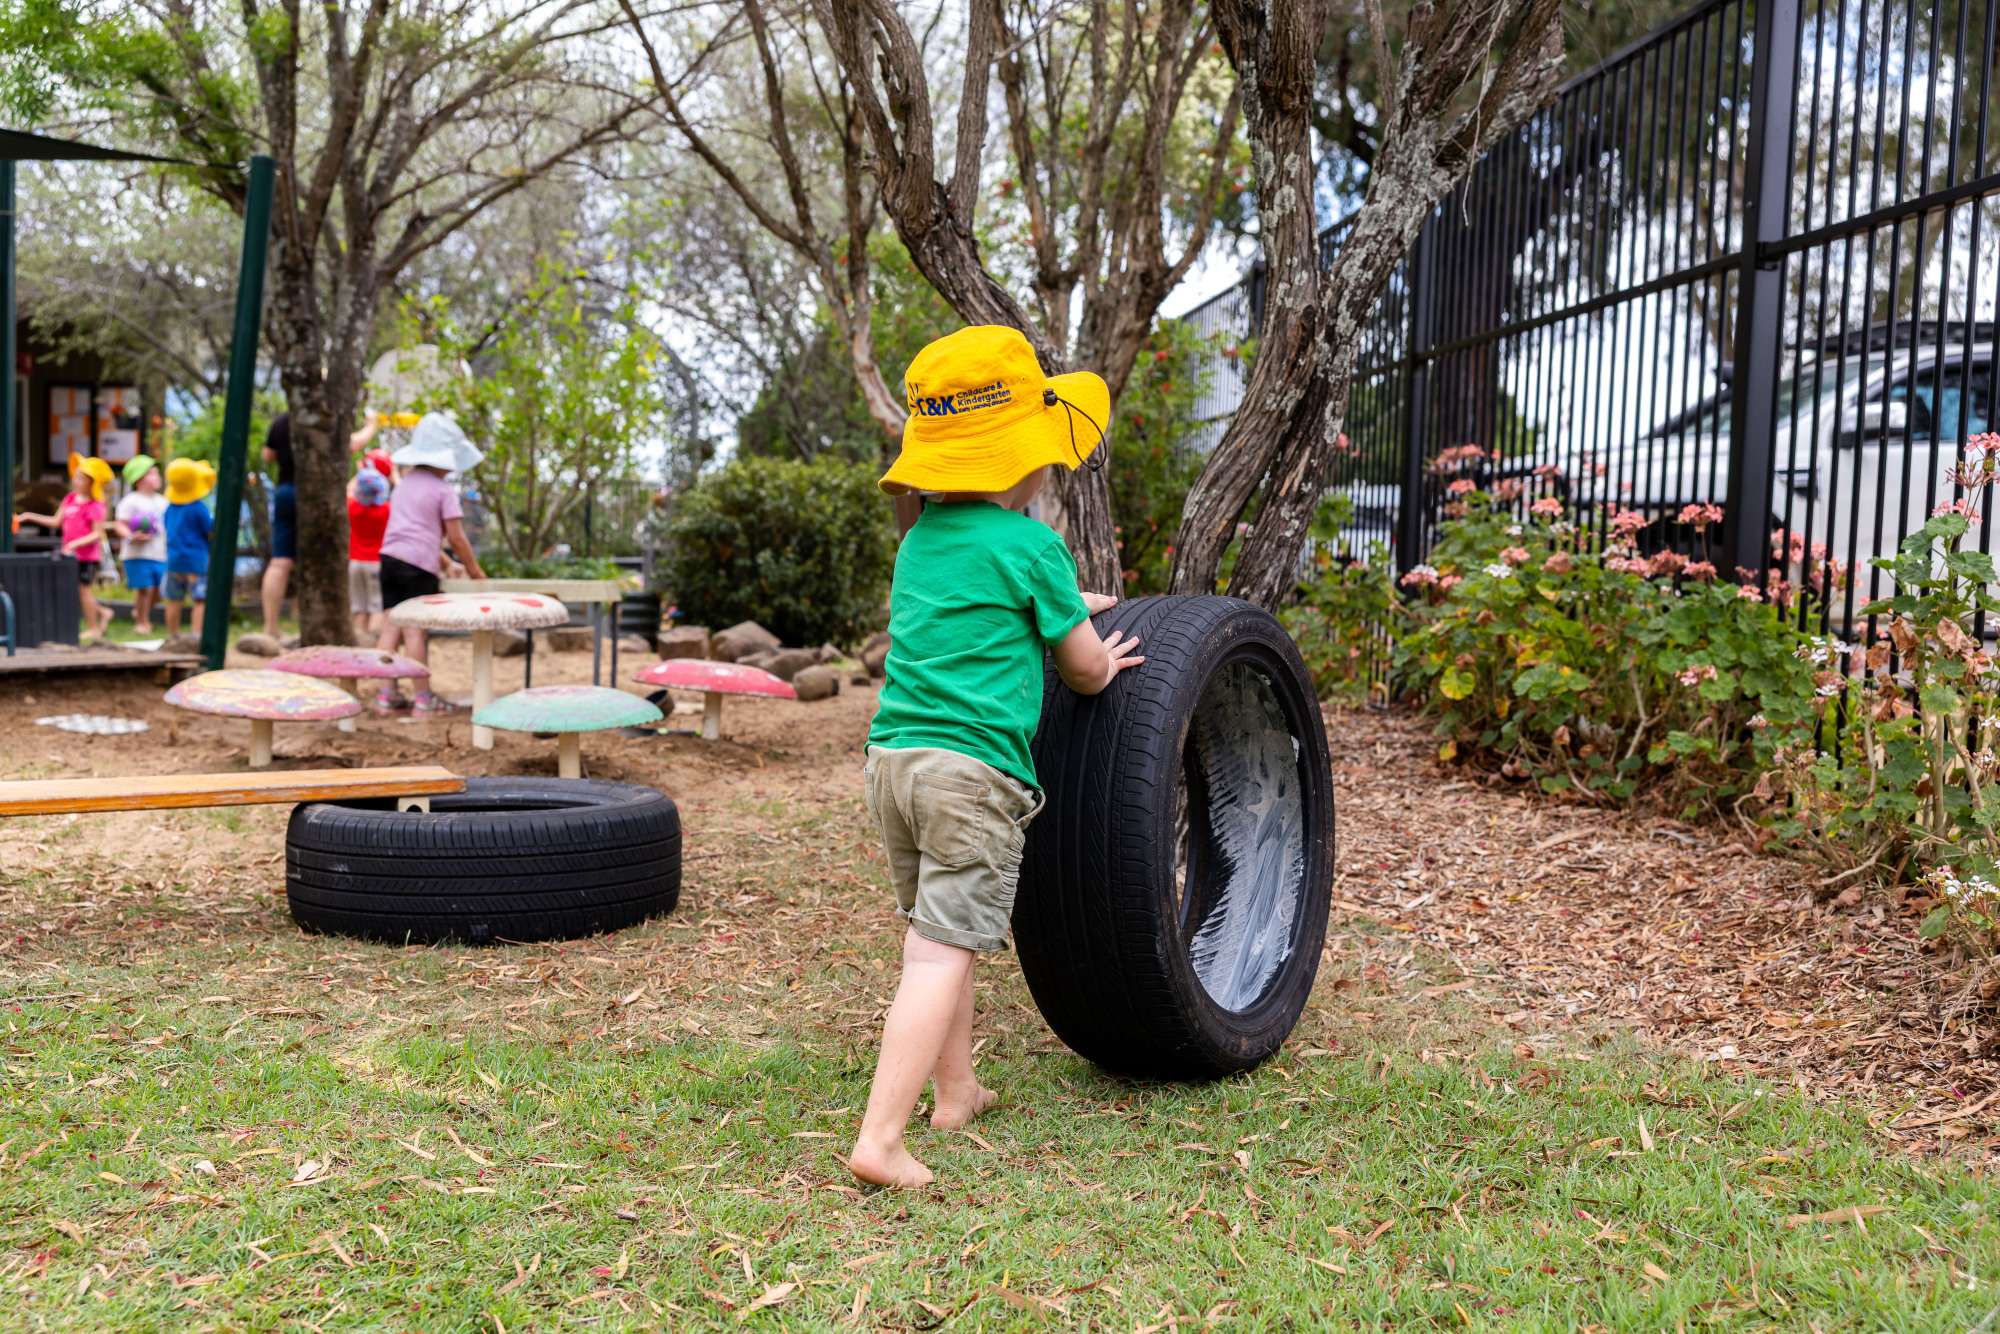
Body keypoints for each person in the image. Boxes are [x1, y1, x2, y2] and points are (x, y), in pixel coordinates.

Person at [845, 326, 1144, 1189]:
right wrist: (1098, 647)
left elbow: (977, 613)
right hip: (972, 775)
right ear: (1025, 462)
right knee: (941, 952)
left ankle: (958, 1088)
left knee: (938, 932)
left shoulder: (921, 545)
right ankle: (882, 1139)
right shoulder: (1032, 546)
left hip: (894, 765)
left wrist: (1058, 605)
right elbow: (1083, 671)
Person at [374, 414, 485, 718]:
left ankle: (386, 694)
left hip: (390, 560)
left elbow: (414, 533)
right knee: (414, 634)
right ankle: (423, 699)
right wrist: (475, 572)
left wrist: (447, 562)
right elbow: (457, 538)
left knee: (390, 628)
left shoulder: (404, 485)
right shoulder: (443, 491)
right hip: (417, 569)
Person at [260, 410, 385, 637]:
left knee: (280, 562)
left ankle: (271, 628)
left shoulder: (283, 420)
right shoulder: (324, 417)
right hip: (315, 492)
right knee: (318, 559)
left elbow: (267, 455)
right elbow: (349, 444)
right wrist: (371, 426)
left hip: (285, 489)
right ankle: (320, 626)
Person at [18, 455, 117, 641]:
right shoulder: (70, 499)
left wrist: (78, 543)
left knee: (83, 590)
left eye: (81, 478)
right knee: (76, 589)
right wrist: (29, 516)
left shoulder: (95, 505)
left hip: (87, 556)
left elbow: (97, 533)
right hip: (70, 554)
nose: (76, 481)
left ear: (91, 483)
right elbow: (56, 522)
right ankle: (103, 612)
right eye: (76, 476)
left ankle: (93, 628)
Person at [114, 456, 169, 634]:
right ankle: (142, 622)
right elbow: (120, 524)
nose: (157, 477)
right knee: (144, 589)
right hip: (137, 553)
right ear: (138, 480)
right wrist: (131, 536)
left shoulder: (163, 501)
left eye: (157, 473)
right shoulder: (131, 500)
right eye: (151, 473)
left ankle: (139, 612)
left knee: (160, 590)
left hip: (159, 552)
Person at [161, 458, 214, 639]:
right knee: (200, 599)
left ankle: (173, 635)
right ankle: (196, 635)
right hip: (196, 561)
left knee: (174, 600)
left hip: (174, 560)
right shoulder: (199, 507)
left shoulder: (170, 508)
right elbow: (209, 531)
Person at [347, 462, 392, 641]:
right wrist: (393, 474)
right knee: (376, 606)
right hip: (376, 564)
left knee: (359, 607)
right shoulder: (386, 510)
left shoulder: (353, 508)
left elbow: (347, 491)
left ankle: (359, 641)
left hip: (355, 563)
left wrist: (359, 474)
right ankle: (372, 643)